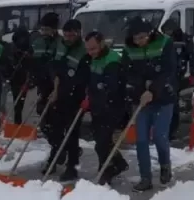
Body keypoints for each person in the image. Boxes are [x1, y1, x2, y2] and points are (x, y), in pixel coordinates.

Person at [122, 17, 177, 191]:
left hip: (164, 98)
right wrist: (140, 89)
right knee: (141, 140)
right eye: (136, 38)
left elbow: (169, 70)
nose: (139, 42)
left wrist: (153, 90)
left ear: (150, 33)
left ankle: (165, 166)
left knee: (160, 137)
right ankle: (145, 178)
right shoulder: (129, 48)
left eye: (143, 37)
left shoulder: (165, 43)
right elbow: (128, 72)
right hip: (141, 100)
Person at [45, 18, 88, 181]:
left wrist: (79, 93)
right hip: (58, 93)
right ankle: (55, 156)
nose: (68, 38)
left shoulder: (84, 50)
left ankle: (72, 166)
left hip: (76, 96)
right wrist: (55, 79)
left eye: (72, 35)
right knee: (53, 128)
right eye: (66, 35)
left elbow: (83, 76)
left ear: (78, 34)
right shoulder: (60, 45)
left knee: (72, 132)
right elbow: (54, 65)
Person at [84, 31, 129, 185]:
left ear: (102, 43)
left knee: (102, 142)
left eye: (94, 49)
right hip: (98, 107)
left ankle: (106, 170)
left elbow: (110, 88)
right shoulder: (94, 59)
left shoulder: (113, 61)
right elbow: (92, 82)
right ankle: (119, 163)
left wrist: (95, 96)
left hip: (112, 107)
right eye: (88, 49)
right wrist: (88, 97)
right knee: (100, 139)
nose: (91, 53)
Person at [29, 12, 67, 170]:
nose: (43, 32)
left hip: (57, 88)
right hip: (43, 87)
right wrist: (31, 77)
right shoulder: (38, 42)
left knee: (56, 123)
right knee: (44, 123)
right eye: (42, 29)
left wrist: (56, 87)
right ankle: (60, 148)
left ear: (54, 29)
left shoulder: (61, 43)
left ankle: (55, 156)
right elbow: (33, 63)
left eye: (46, 29)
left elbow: (58, 68)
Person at [168, 27, 194, 140]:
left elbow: (191, 56)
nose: (167, 33)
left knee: (173, 101)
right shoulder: (162, 41)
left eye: (169, 30)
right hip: (165, 75)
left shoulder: (184, 40)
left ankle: (172, 130)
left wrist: (193, 72)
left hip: (176, 75)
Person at [7, 27, 32, 125]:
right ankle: (16, 123)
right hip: (14, 77)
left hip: (25, 78)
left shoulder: (29, 48)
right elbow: (9, 62)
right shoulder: (12, 48)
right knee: (16, 102)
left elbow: (31, 63)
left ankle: (20, 123)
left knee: (21, 103)